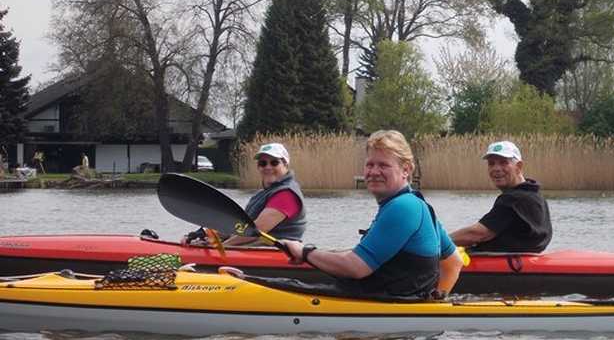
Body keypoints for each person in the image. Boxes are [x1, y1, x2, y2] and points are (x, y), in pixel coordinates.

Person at [282, 130, 463, 299]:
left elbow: (356, 267)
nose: (374, 172)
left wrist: (305, 252)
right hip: (397, 309)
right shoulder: (418, 205)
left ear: (406, 170)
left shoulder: (403, 207)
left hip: (387, 311)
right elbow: (454, 262)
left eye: (383, 165)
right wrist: (435, 302)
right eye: (370, 164)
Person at [183, 142, 307, 247]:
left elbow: (256, 231)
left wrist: (223, 247)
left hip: (275, 253)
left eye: (274, 162)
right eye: (263, 163)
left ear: (285, 164)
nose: (268, 167)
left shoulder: (286, 195)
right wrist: (205, 232)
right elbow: (240, 227)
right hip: (255, 249)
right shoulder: (264, 193)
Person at [449, 140, 552, 253]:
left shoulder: (514, 199)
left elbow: (478, 234)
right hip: (522, 261)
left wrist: (440, 241)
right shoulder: (535, 195)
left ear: (519, 166)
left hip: (508, 265)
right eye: (491, 163)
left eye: (503, 162)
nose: (496, 168)